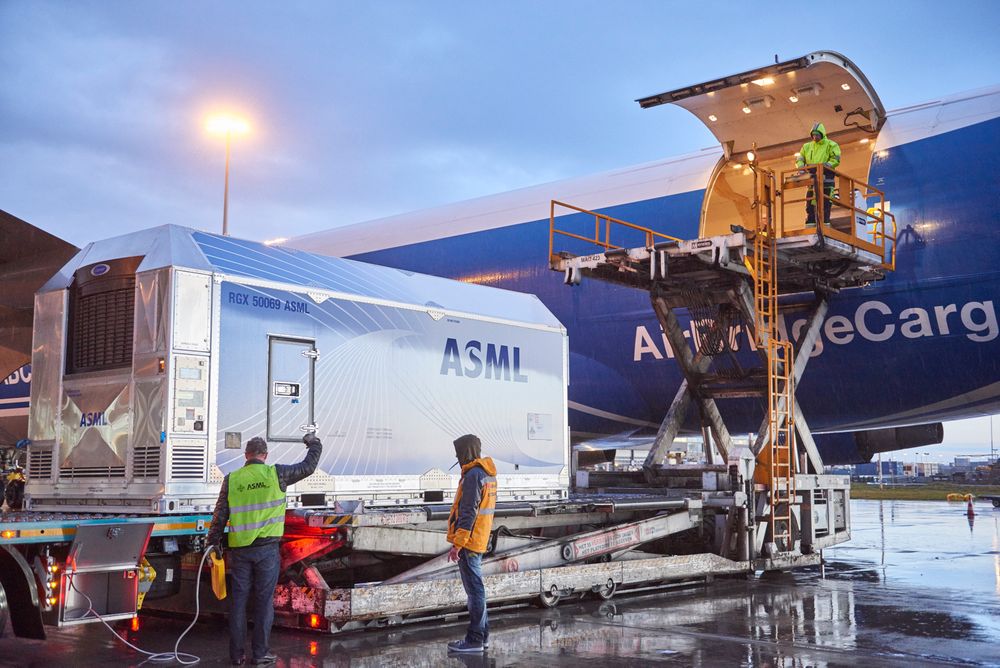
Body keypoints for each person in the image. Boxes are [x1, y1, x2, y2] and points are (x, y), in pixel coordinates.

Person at [208, 433, 323, 666]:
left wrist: (213, 543)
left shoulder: (233, 479)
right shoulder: (276, 473)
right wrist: (314, 443)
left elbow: (220, 515)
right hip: (267, 551)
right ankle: (260, 654)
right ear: (265, 455)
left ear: (246, 455)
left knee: (238, 602)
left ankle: (237, 655)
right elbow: (308, 467)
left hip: (240, 550)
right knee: (263, 602)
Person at [445, 434, 497, 654]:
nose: (457, 458)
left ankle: (474, 640)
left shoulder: (473, 475)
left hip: (469, 542)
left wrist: (458, 544)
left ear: (465, 452)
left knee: (475, 592)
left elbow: (468, 513)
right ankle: (482, 636)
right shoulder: (486, 473)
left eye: (459, 453)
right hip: (479, 539)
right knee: (478, 591)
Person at [795, 122, 841, 225]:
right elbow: (800, 159)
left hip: (827, 181)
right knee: (810, 206)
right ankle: (810, 227)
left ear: (822, 134)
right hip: (812, 181)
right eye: (813, 135)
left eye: (817, 134)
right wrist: (801, 168)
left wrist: (827, 165)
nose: (815, 137)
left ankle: (825, 228)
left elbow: (836, 159)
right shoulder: (806, 147)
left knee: (825, 205)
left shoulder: (831, 145)